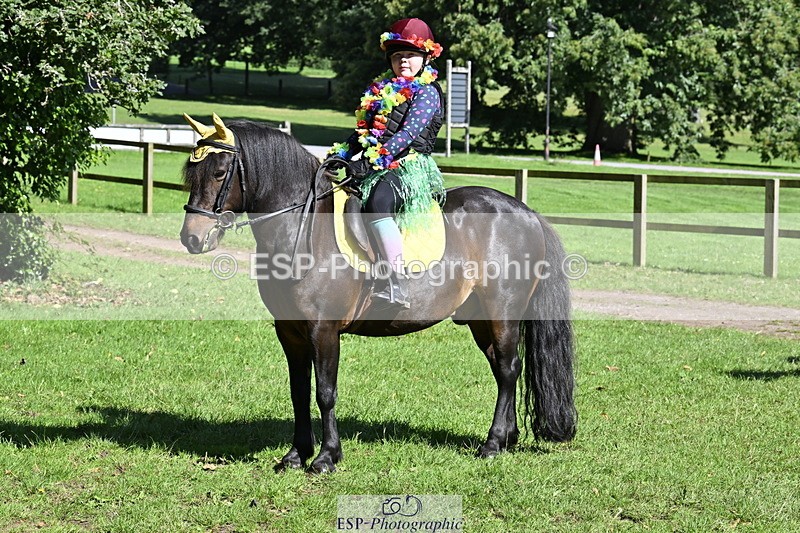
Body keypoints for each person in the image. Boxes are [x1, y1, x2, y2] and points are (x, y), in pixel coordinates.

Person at [325, 18, 446, 309]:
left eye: (410, 55)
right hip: (378, 163)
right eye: (397, 55)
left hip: (410, 165)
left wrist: (374, 160)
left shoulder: (427, 92)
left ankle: (396, 281)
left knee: (379, 202)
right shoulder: (381, 90)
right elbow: (363, 131)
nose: (403, 60)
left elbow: (406, 134)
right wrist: (341, 154)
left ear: (426, 57)